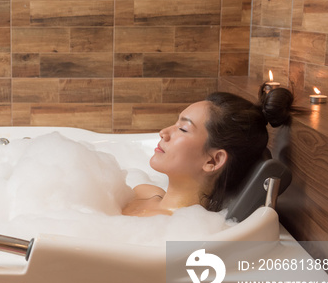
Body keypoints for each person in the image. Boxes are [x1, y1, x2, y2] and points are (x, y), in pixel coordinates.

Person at [122, 85, 298, 217]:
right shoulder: (140, 190)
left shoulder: (175, 233)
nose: (163, 133)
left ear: (212, 161)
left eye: (183, 128)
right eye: (176, 123)